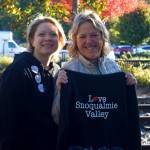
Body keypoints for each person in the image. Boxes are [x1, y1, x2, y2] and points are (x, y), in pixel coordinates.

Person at [52, 10, 137, 124]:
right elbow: (57, 119)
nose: (89, 41)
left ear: (102, 37)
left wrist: (129, 88)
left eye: (94, 35)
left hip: (109, 139)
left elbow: (122, 111)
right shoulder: (68, 71)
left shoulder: (113, 67)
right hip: (81, 140)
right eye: (82, 36)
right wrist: (61, 91)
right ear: (75, 41)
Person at [0, 16, 66, 150]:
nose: (48, 38)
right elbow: (6, 118)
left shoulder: (58, 72)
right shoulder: (18, 70)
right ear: (32, 40)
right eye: (41, 34)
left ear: (59, 40)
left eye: (53, 34)